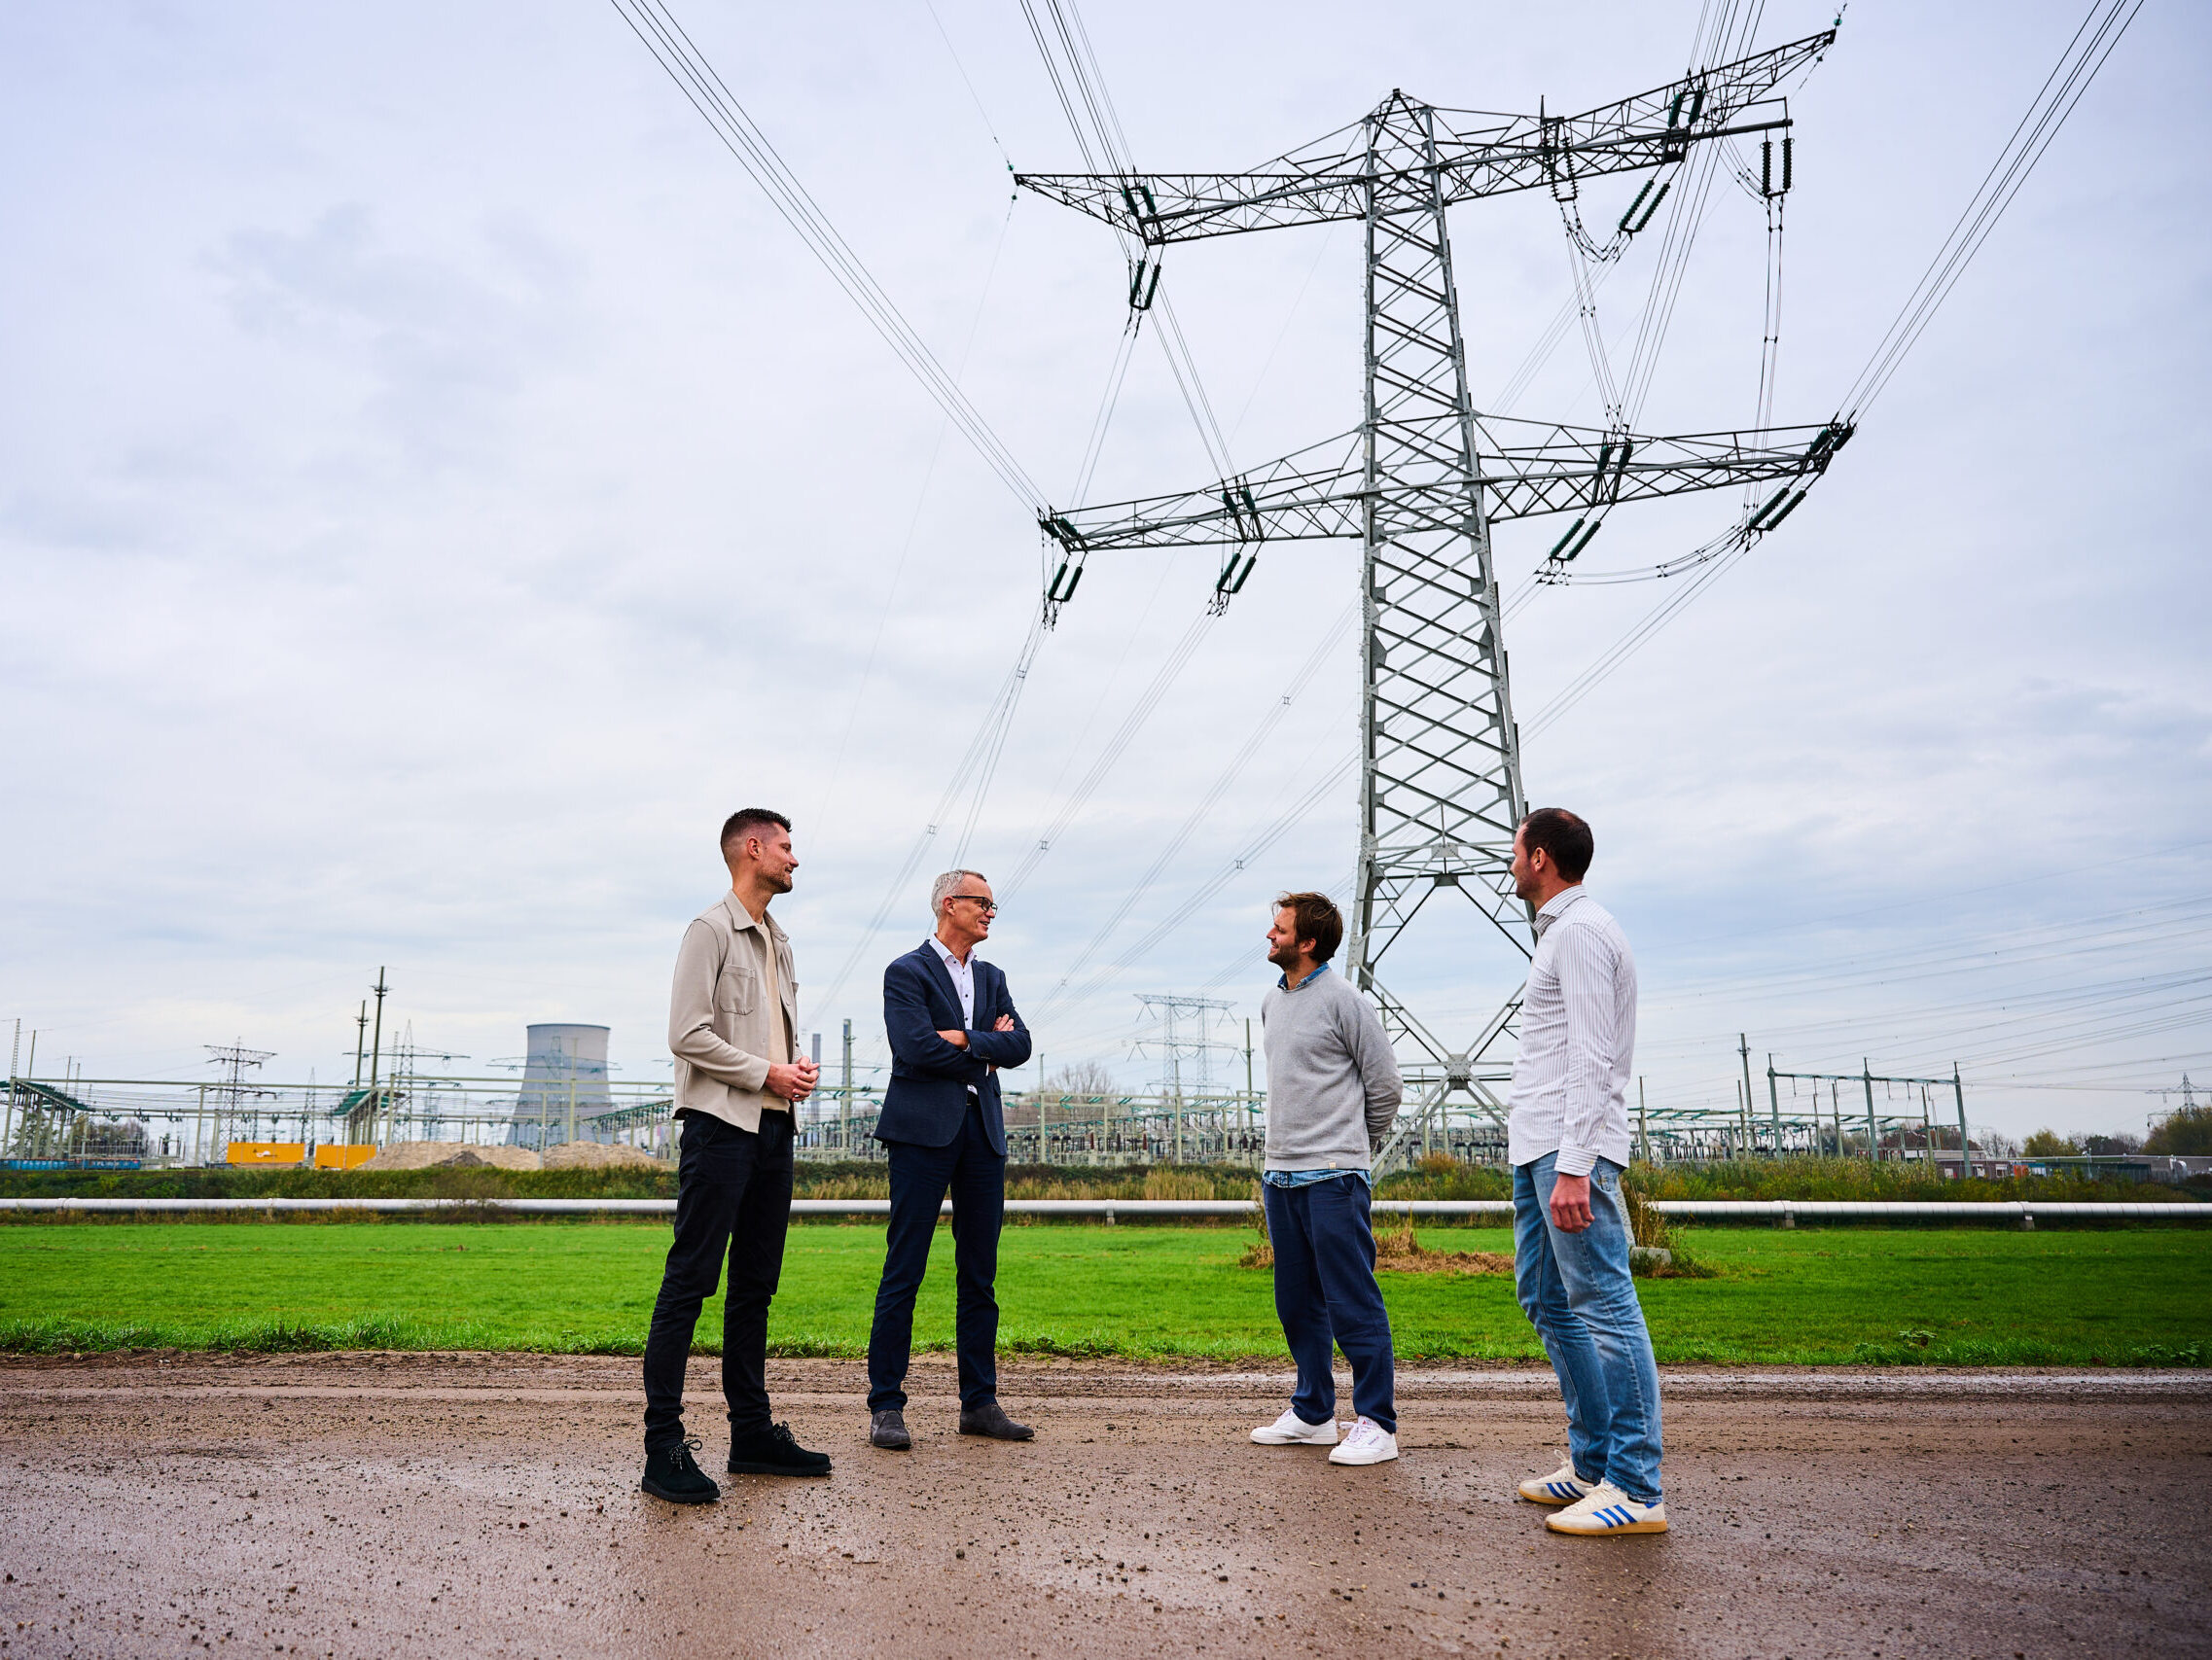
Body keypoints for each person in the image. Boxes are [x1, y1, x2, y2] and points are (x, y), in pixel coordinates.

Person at [639, 808, 831, 1505]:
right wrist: (765, 1071)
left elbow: (763, 1041)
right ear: (753, 848)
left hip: (775, 1130)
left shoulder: (779, 942)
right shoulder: (709, 930)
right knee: (691, 1280)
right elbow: (684, 1034)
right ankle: (663, 1446)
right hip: (720, 1128)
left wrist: (791, 1073)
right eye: (786, 846)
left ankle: (750, 1433)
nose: (794, 858)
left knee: (756, 1285)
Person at [1504, 807, 1666, 1536]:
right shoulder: (1560, 935)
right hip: (1539, 1148)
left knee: (1603, 1304)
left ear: (1540, 858)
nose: (1510, 860)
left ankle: (1636, 1487)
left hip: (1571, 1156)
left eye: (1515, 849)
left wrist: (1574, 1168)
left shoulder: (1581, 932)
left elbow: (1595, 1056)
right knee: (1546, 1297)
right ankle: (1594, 1463)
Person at [865, 869, 1034, 1450]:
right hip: (921, 1135)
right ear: (948, 904)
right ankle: (886, 1405)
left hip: (981, 1136)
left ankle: (979, 1403)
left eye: (992, 905)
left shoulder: (992, 976)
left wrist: (964, 1040)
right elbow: (912, 1047)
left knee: (979, 1272)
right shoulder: (906, 972)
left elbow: (1022, 1045)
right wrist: (987, 1049)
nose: (991, 912)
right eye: (983, 903)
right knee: (905, 1267)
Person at [1247, 890, 1405, 1466]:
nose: (1270, 936)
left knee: (1351, 1298)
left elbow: (1385, 1088)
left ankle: (1377, 1423)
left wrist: (1350, 1145)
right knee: (1296, 1302)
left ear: (1307, 942)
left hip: (1334, 1177)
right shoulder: (1272, 1001)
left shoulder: (1346, 1002)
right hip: (1281, 1176)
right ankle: (1314, 1412)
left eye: (1279, 928)